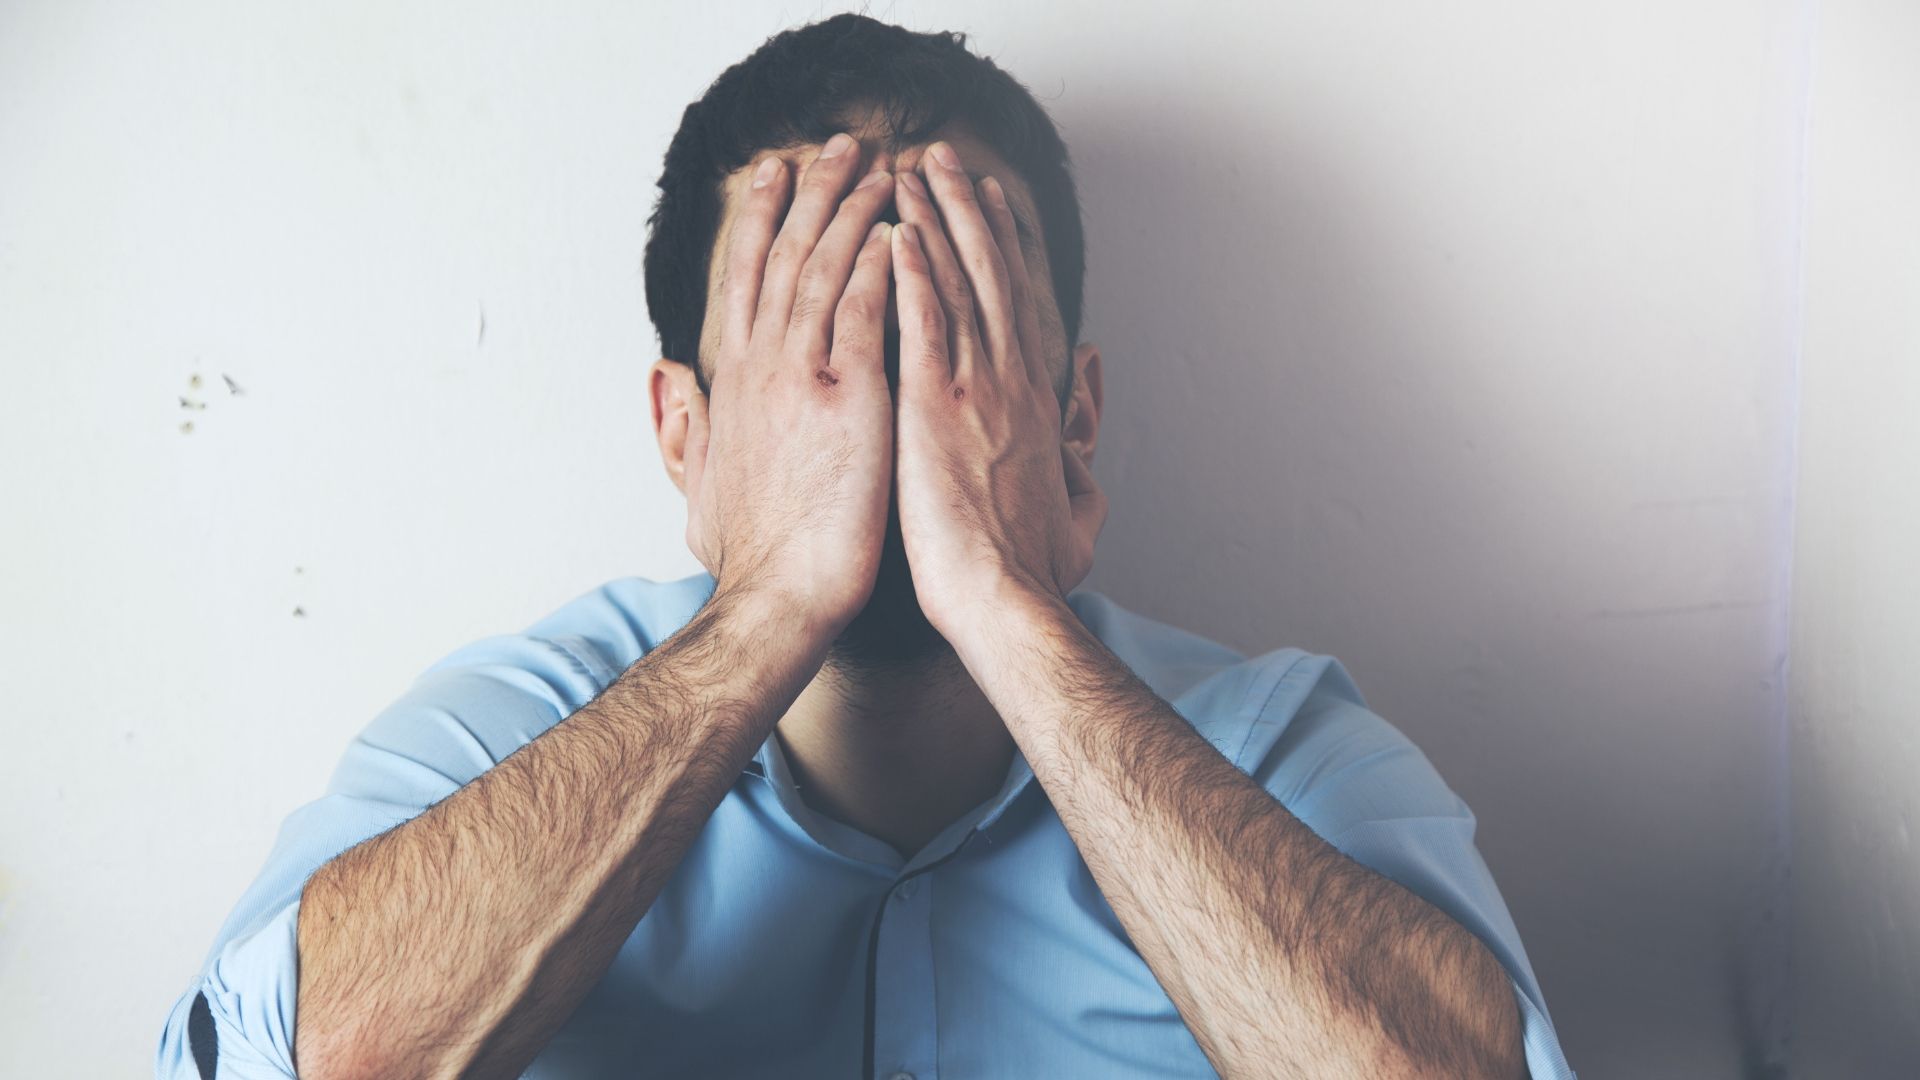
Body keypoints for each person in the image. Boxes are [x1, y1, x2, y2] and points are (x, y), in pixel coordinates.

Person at [157, 14, 1573, 1079]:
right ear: (684, 433)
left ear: (1072, 420)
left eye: (940, 339)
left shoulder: (1279, 750)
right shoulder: (516, 729)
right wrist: (772, 604)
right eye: (816, 350)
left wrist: (1007, 606)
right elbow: (289, 1055)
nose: (881, 414)